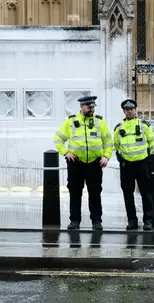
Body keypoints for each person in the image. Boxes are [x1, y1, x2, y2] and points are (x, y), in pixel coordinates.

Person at [53, 96, 112, 231]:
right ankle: (74, 220)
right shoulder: (71, 121)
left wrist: (106, 156)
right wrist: (65, 153)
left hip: (95, 163)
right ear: (82, 107)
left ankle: (96, 221)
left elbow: (108, 142)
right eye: (89, 107)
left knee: (95, 192)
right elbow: (58, 139)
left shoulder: (99, 122)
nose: (92, 109)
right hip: (76, 163)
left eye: (93, 107)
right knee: (75, 193)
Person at [113, 99, 154, 231]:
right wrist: (121, 159)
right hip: (127, 165)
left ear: (135, 110)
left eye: (131, 109)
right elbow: (116, 145)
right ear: (124, 111)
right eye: (127, 109)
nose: (129, 111)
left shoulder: (144, 125)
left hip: (142, 163)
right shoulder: (119, 128)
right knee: (127, 194)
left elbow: (151, 143)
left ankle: (148, 221)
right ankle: (132, 221)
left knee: (146, 193)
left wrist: (145, 158)